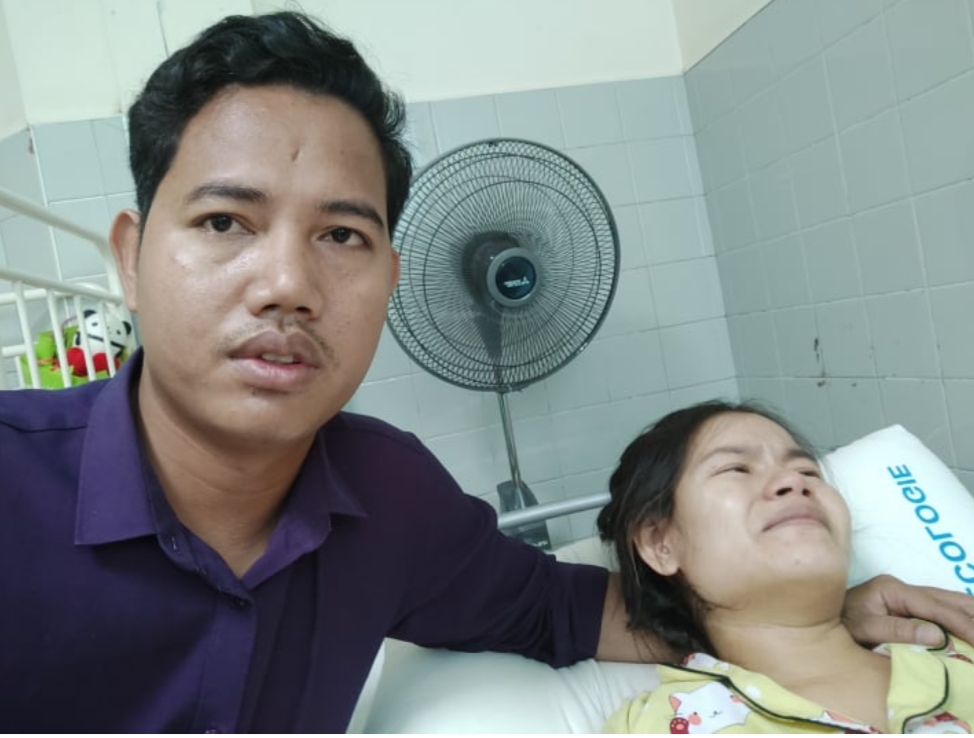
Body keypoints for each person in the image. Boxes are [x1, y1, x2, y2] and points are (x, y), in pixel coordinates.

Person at [0, 11, 971, 733]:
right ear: (129, 258)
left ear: (389, 277)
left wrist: (803, 621)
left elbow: (558, 609)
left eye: (341, 235)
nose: (287, 283)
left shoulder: (387, 497)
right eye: (225, 222)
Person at [598, 400, 974, 734]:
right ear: (659, 543)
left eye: (809, 472)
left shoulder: (955, 648)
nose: (793, 481)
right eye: (736, 469)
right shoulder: (667, 724)